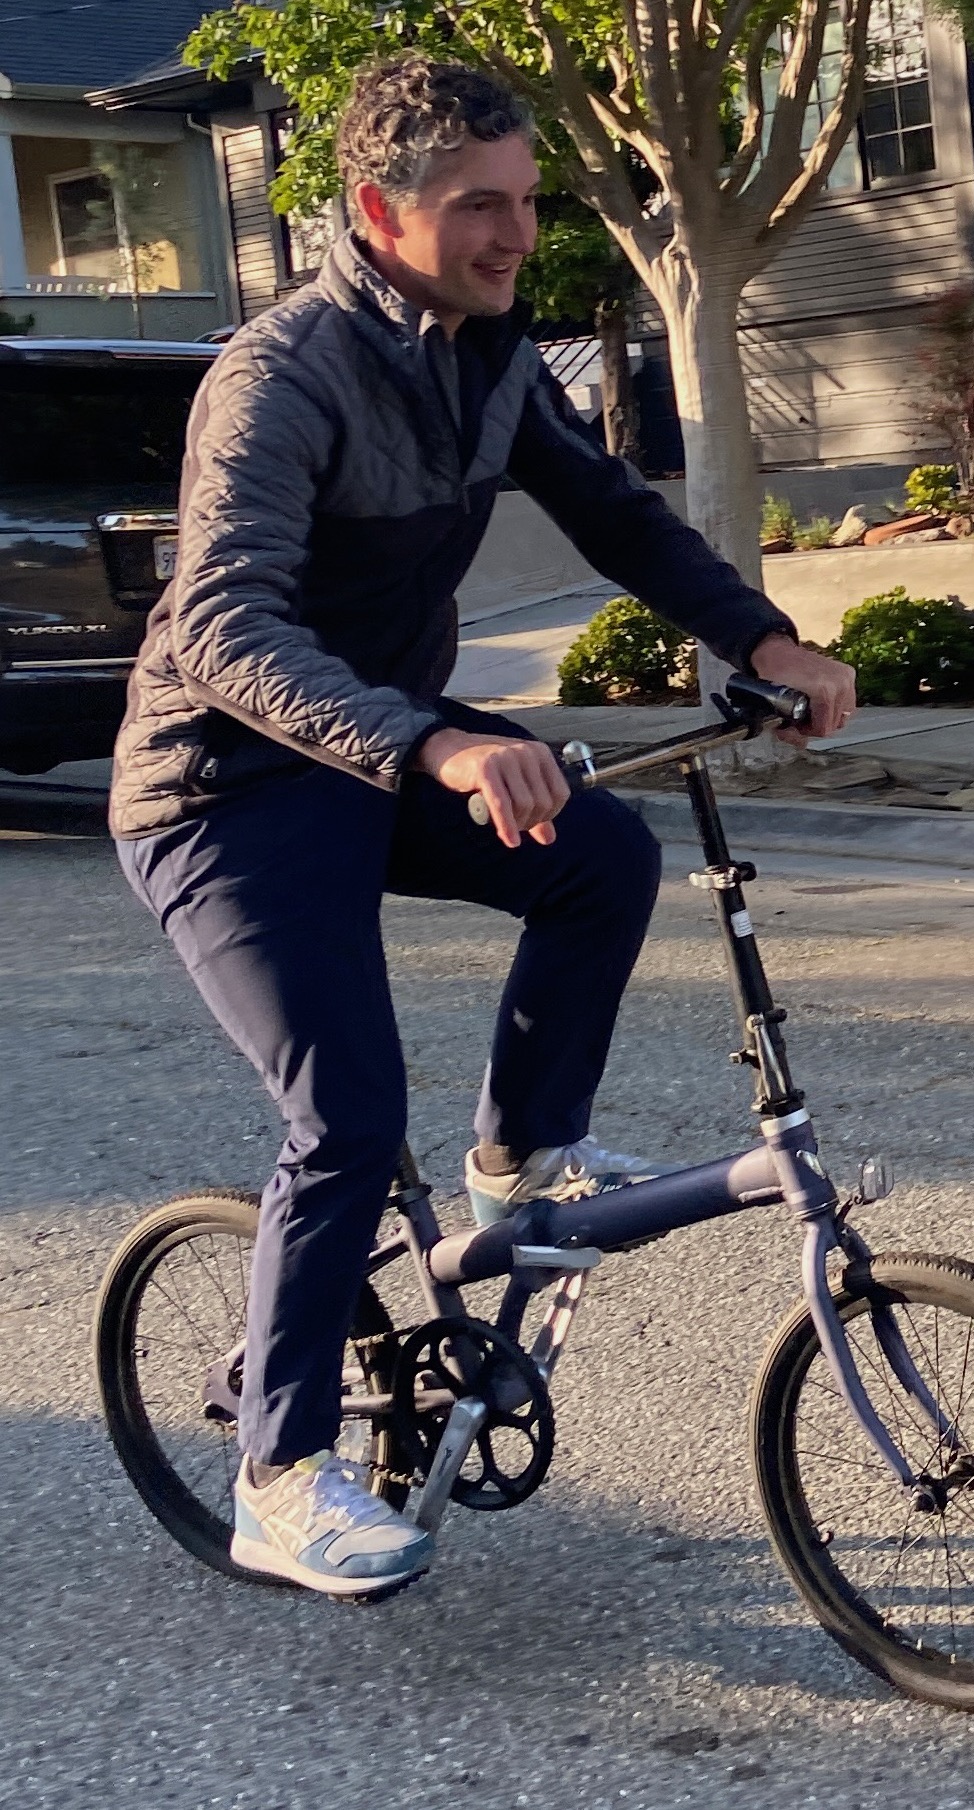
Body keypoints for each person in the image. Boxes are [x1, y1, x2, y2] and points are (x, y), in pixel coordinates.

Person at [110, 55, 856, 1599]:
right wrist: (439, 738)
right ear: (380, 213)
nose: (516, 234)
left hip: (374, 763)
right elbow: (223, 633)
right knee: (347, 1117)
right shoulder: (282, 376)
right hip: (223, 793)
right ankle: (279, 1470)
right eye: (479, 207)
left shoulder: (489, 359)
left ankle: (523, 1162)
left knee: (601, 854)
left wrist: (761, 638)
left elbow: (619, 514)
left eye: (524, 201)